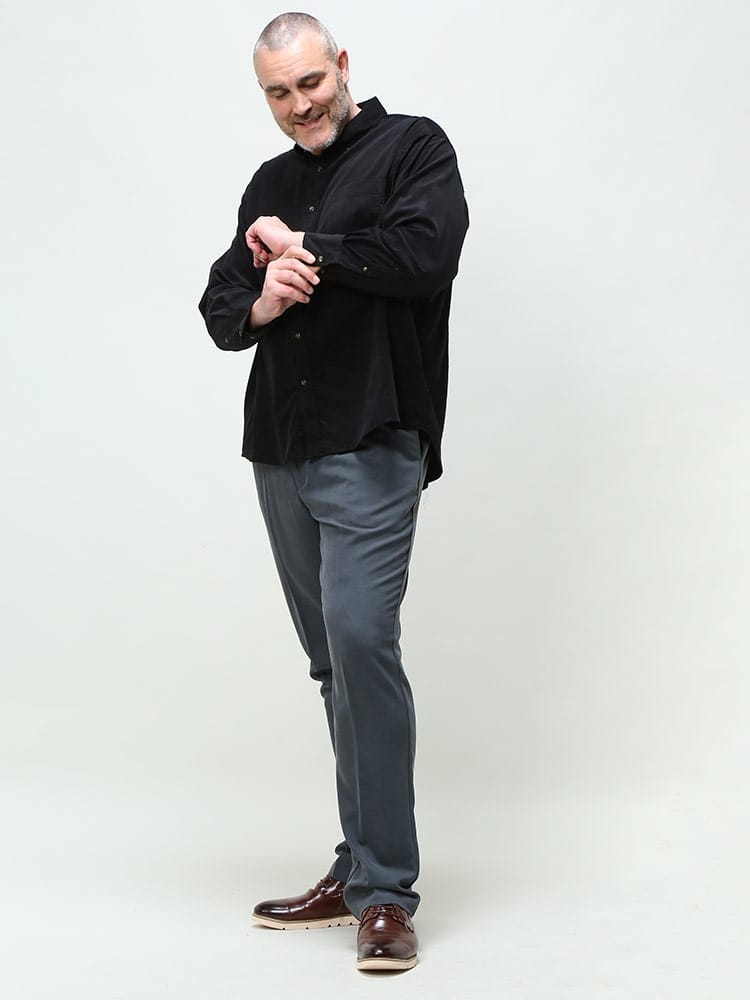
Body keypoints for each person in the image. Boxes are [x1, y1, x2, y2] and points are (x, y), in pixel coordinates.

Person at [199, 12, 468, 972]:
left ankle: (386, 893)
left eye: (310, 82)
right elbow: (220, 305)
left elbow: (421, 257)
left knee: (362, 643)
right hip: (282, 446)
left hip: (373, 436)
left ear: (342, 66)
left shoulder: (414, 149)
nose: (298, 105)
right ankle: (358, 864)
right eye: (277, 93)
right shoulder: (267, 184)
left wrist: (304, 244)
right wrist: (264, 297)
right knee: (331, 664)